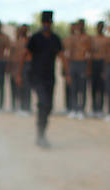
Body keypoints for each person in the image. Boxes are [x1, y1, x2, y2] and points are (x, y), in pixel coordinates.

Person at [25, 10, 69, 147]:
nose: (46, 25)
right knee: (43, 103)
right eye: (44, 22)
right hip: (36, 77)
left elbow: (62, 56)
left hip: (50, 78)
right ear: (42, 23)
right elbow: (25, 55)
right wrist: (21, 73)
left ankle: (41, 132)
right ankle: (40, 135)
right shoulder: (35, 38)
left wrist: (67, 73)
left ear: (51, 23)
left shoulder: (55, 39)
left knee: (48, 106)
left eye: (48, 22)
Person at [65, 19, 92, 119]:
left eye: (82, 25)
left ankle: (81, 110)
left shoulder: (87, 38)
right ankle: (73, 109)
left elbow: (89, 53)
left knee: (82, 88)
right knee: (73, 88)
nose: (80, 27)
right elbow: (68, 52)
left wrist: (88, 68)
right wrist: (68, 68)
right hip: (73, 63)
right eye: (78, 25)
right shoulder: (73, 38)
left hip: (82, 63)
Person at [9, 24, 32, 115]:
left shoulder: (29, 41)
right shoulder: (16, 42)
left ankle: (26, 107)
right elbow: (12, 54)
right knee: (18, 87)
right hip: (17, 66)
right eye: (21, 30)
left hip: (27, 65)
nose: (22, 31)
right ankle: (19, 106)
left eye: (24, 30)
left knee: (26, 87)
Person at [90, 21, 108, 118]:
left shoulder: (106, 39)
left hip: (102, 63)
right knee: (93, 87)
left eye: (101, 26)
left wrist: (105, 69)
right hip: (94, 63)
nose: (99, 28)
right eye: (98, 26)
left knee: (101, 88)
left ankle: (100, 109)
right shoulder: (93, 39)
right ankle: (94, 108)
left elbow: (107, 54)